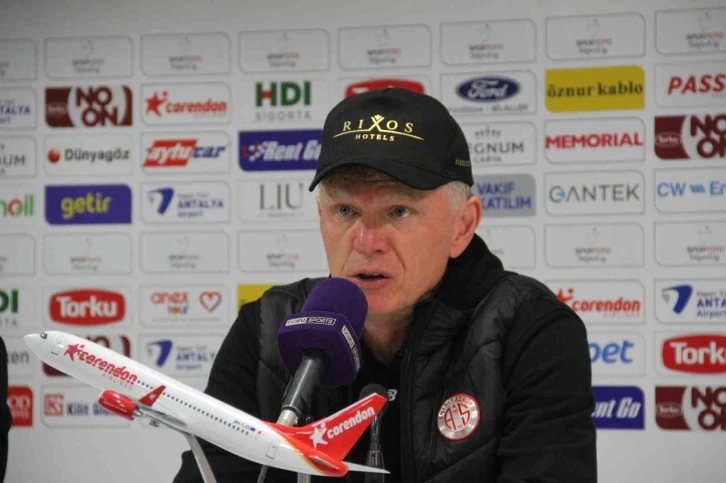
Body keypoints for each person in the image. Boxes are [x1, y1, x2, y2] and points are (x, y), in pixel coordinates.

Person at [173, 88, 597, 482]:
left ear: (462, 226)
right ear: (321, 217)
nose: (366, 241)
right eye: (345, 209)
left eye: (398, 211)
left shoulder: (531, 331)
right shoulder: (267, 329)